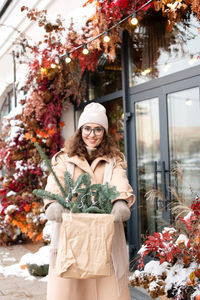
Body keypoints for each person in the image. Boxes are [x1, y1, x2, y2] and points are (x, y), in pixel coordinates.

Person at [44, 102, 135, 300]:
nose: (91, 134)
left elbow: (120, 181)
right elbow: (55, 180)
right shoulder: (64, 158)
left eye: (97, 129)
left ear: (104, 132)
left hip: (105, 233)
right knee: (71, 288)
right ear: (80, 130)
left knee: (106, 288)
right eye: (87, 128)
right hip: (72, 232)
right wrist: (54, 203)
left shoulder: (114, 159)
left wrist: (120, 201)